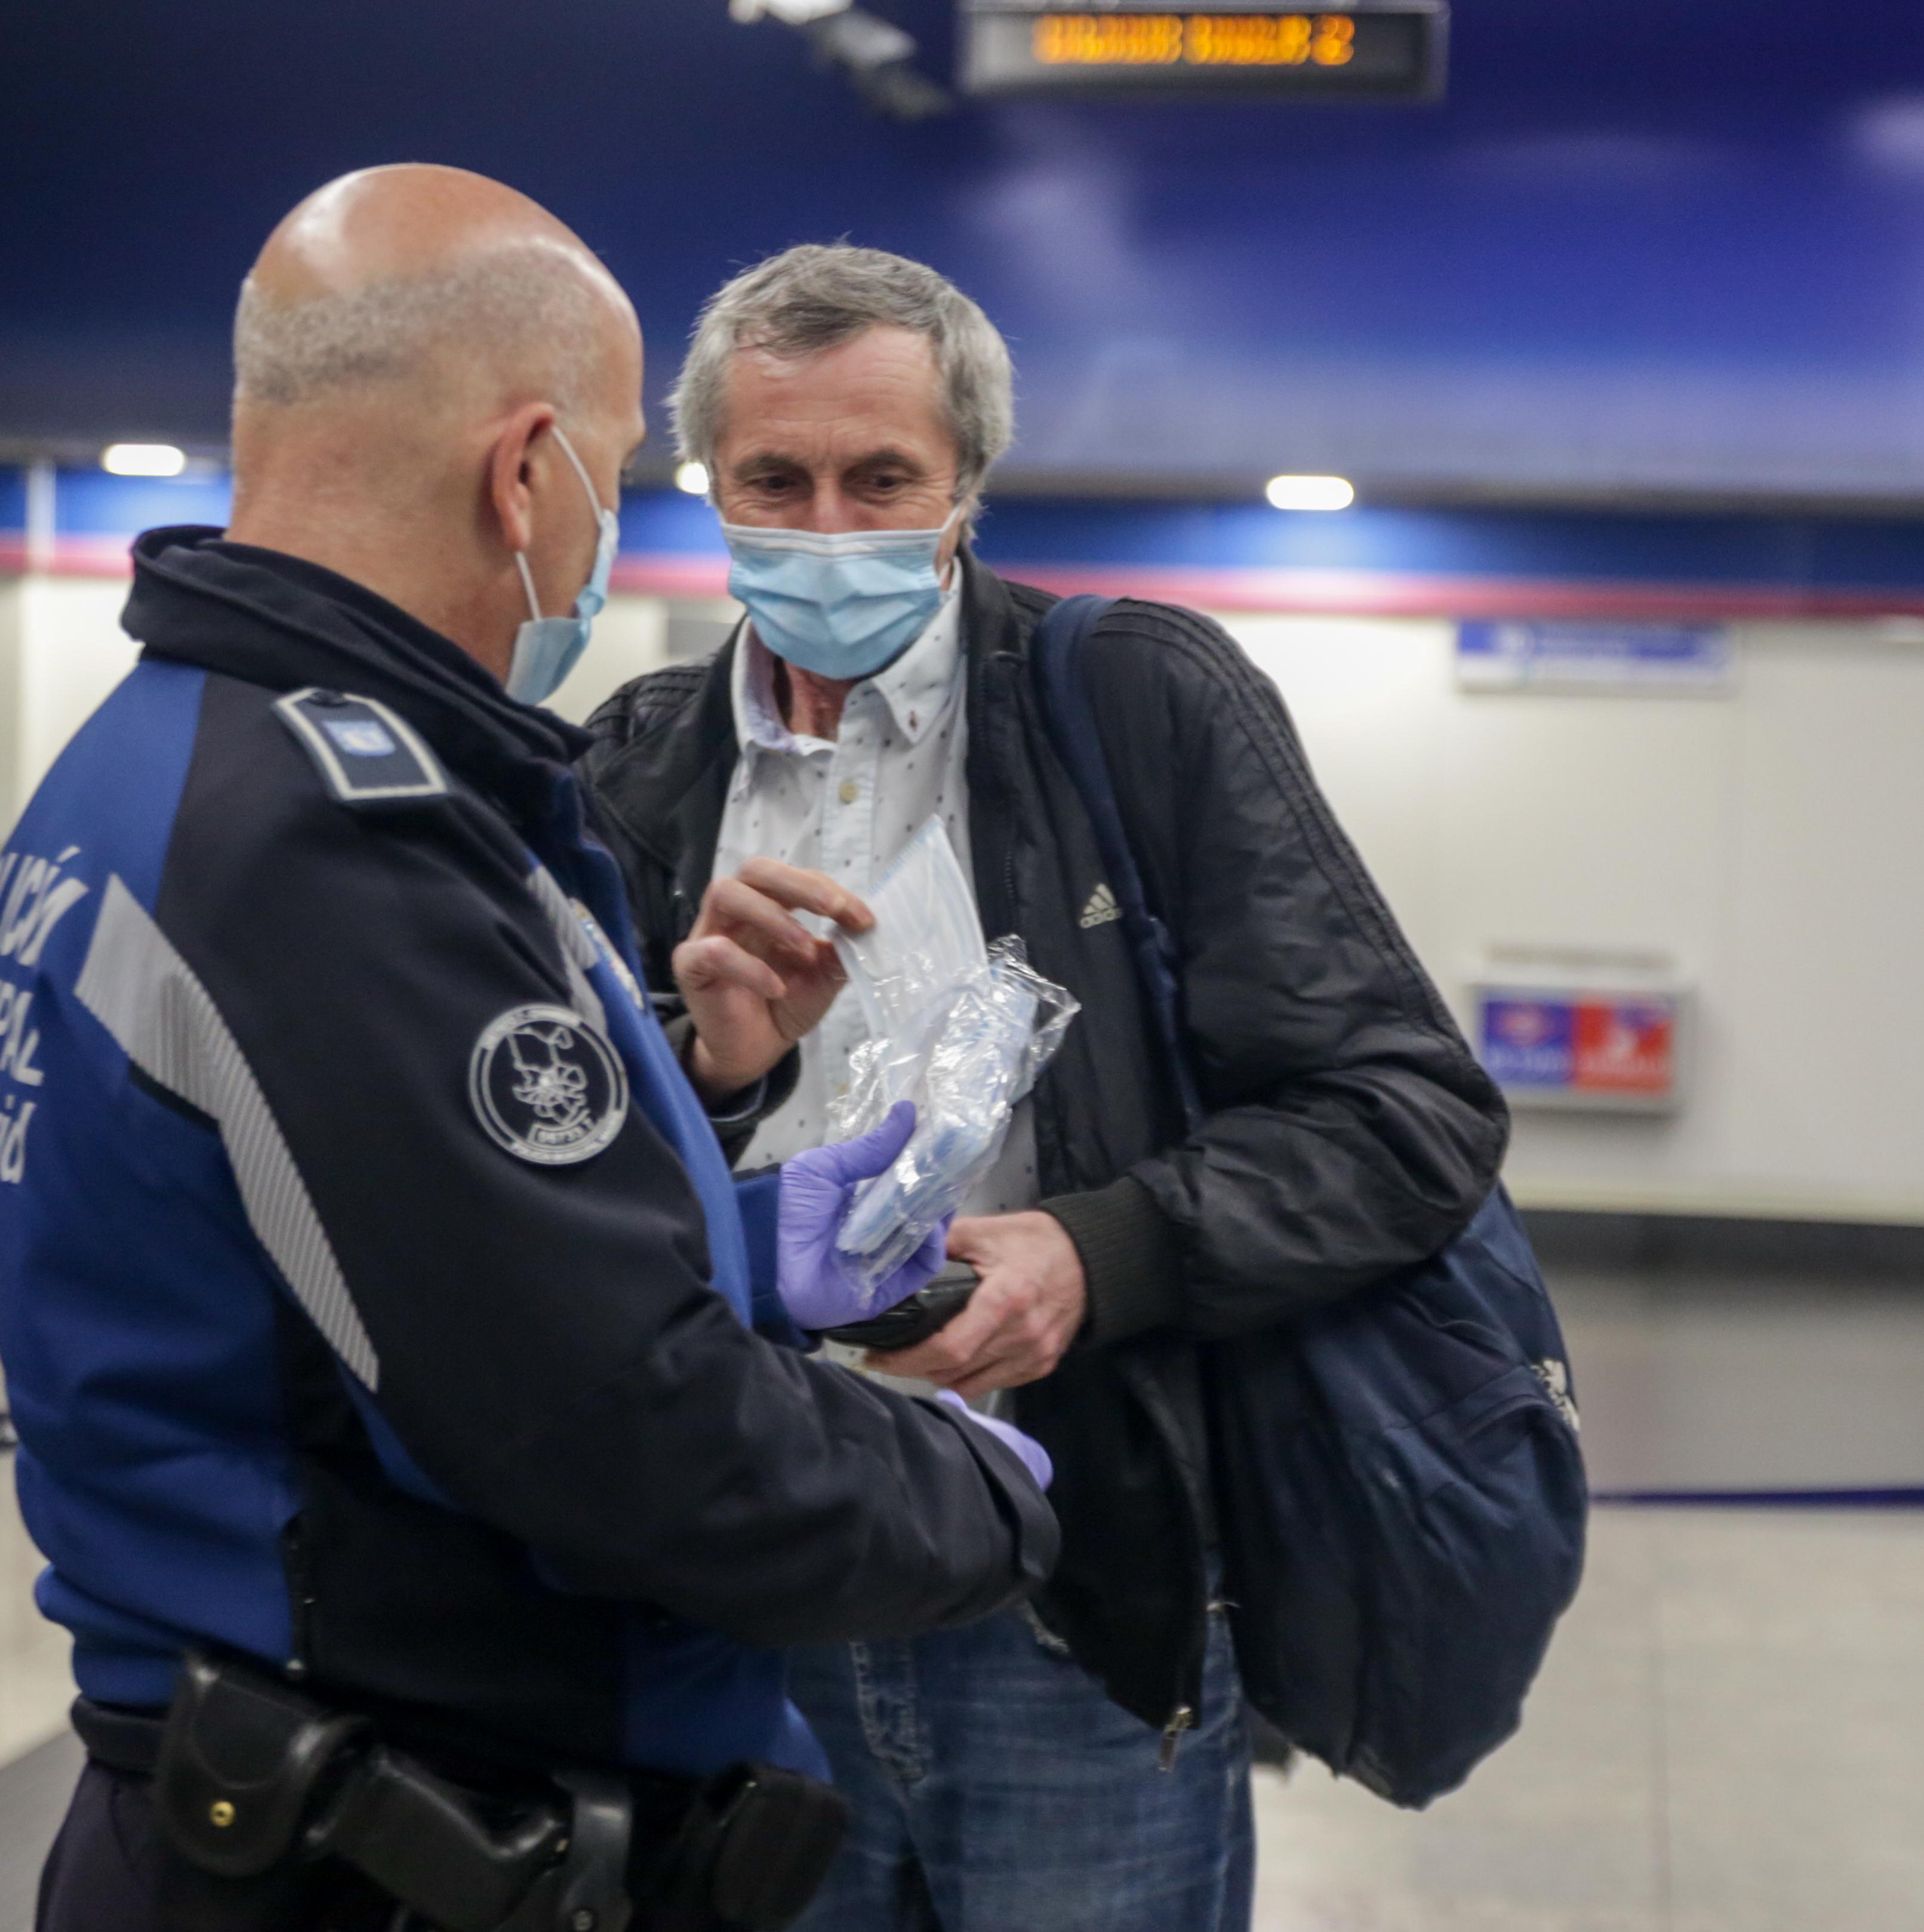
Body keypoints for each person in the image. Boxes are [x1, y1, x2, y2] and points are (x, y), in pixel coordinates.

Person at [0, 165, 1058, 1932]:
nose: (608, 520)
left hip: (265, 1801)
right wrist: (978, 1491)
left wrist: (721, 1243)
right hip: (386, 1846)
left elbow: (365, 1271)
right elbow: (623, 1443)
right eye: (619, 472)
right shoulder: (337, 842)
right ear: (523, 469)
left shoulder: (150, 765)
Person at [583, 245, 1512, 1932]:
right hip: (738, 1594)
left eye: (882, 479)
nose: (825, 525)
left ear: (965, 490)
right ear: (705, 483)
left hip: (1065, 1593)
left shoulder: (1135, 704)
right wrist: (716, 1079)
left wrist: (1098, 1251)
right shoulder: (631, 765)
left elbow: (1400, 1112)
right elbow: (571, 1194)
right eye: (772, 479)